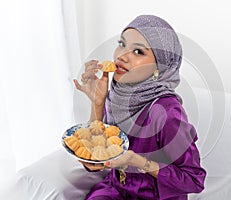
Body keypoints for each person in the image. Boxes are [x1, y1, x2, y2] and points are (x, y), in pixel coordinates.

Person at [73, 15, 206, 200]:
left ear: (158, 67)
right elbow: (96, 155)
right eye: (122, 43)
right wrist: (98, 102)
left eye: (138, 52)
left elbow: (193, 180)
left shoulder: (166, 113)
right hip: (115, 191)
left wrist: (137, 161)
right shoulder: (118, 95)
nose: (121, 56)